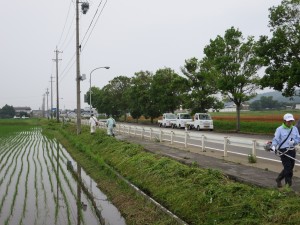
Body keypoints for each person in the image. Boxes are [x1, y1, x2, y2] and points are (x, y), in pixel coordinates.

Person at [271, 113, 300, 187]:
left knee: (291, 167)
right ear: (284, 121)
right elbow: (276, 139)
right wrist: (273, 146)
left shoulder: (294, 129)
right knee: (288, 169)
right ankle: (288, 186)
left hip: (292, 150)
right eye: (288, 121)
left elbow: (298, 138)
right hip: (283, 151)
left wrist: (294, 142)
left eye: (291, 121)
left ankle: (279, 179)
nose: (290, 122)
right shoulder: (279, 129)